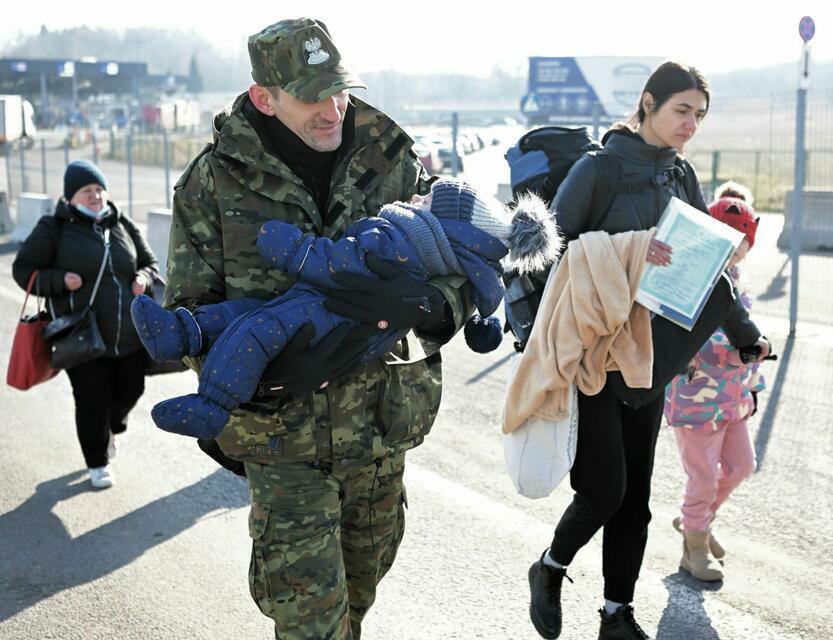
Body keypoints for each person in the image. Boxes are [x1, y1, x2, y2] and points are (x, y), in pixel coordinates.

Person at [164, 18, 478, 639]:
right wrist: (269, 375)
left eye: (338, 88)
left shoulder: (392, 158)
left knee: (361, 589)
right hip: (283, 441)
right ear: (265, 98)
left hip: (382, 428)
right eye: (312, 95)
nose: (333, 108)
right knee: (310, 619)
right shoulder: (212, 181)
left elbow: (458, 263)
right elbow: (192, 309)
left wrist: (430, 310)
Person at [525, 62, 771, 640]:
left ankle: (617, 615)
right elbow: (551, 255)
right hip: (594, 354)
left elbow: (704, 264)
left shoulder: (680, 176)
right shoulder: (599, 169)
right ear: (648, 103)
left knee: (635, 501)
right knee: (604, 490)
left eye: (700, 115)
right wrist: (631, 249)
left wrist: (743, 333)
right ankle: (551, 567)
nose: (691, 124)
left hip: (652, 356)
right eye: (682, 110)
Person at [133, 180, 557, 439]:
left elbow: (337, 265)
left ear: (439, 226)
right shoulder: (419, 236)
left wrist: (294, 251)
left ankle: (212, 404)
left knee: (254, 327)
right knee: (243, 313)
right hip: (277, 433)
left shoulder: (398, 239)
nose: (415, 194)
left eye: (426, 199)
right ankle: (180, 333)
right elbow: (481, 283)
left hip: (328, 333)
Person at [12, 160, 159, 490]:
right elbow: (24, 270)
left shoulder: (122, 224)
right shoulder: (54, 228)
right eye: (86, 191)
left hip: (129, 334)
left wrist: (142, 277)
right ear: (71, 197)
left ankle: (110, 428)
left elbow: (150, 263)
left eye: (99, 189)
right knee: (92, 399)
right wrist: (60, 280)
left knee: (131, 390)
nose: (95, 196)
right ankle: (97, 462)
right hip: (82, 335)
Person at [664, 182, 768, 582]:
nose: (736, 247)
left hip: (733, 397)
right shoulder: (693, 279)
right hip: (696, 398)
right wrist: (735, 350)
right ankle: (694, 547)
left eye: (743, 241)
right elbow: (685, 336)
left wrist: (751, 377)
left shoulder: (737, 281)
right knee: (703, 475)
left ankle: (697, 520)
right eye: (729, 237)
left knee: (742, 466)